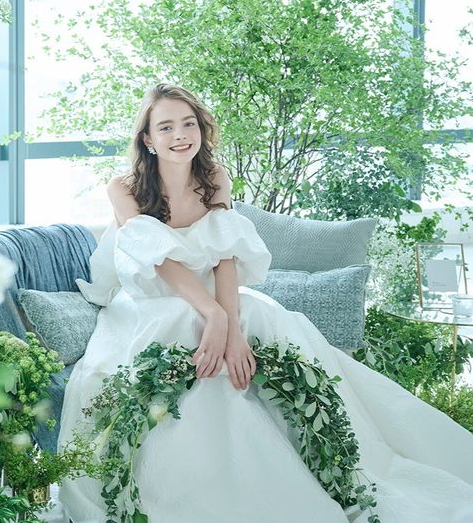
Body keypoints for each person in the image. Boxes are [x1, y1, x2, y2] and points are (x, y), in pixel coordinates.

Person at [57, 83, 473, 523]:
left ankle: (319, 463)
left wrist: (231, 327)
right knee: (183, 321)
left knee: (258, 316)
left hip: (212, 290)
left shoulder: (214, 178)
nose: (179, 135)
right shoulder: (124, 188)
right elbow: (159, 261)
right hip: (152, 296)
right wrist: (213, 315)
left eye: (188, 123)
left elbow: (225, 256)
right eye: (165, 127)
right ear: (147, 139)